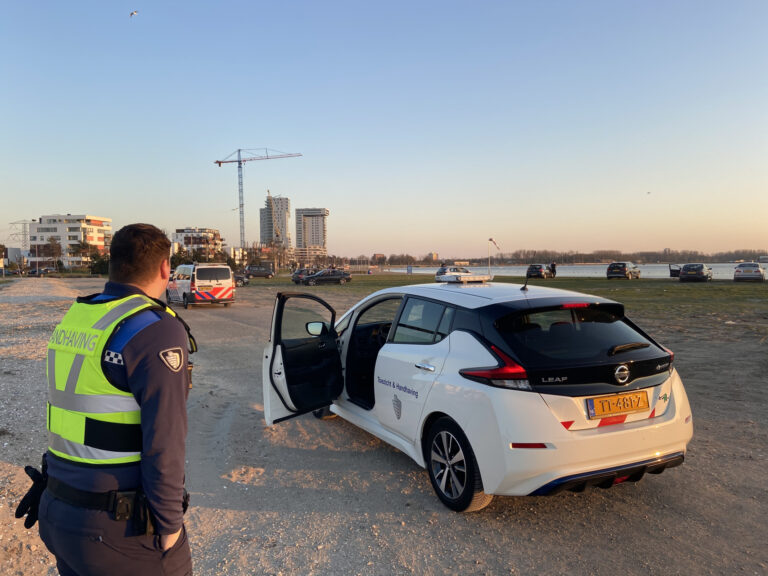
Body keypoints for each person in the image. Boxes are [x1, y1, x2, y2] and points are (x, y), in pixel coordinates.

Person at [16, 223, 197, 576]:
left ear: (111, 262)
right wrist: (169, 525)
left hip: (59, 505)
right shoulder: (154, 328)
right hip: (116, 526)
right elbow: (165, 439)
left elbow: (71, 413)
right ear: (165, 268)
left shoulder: (78, 317)